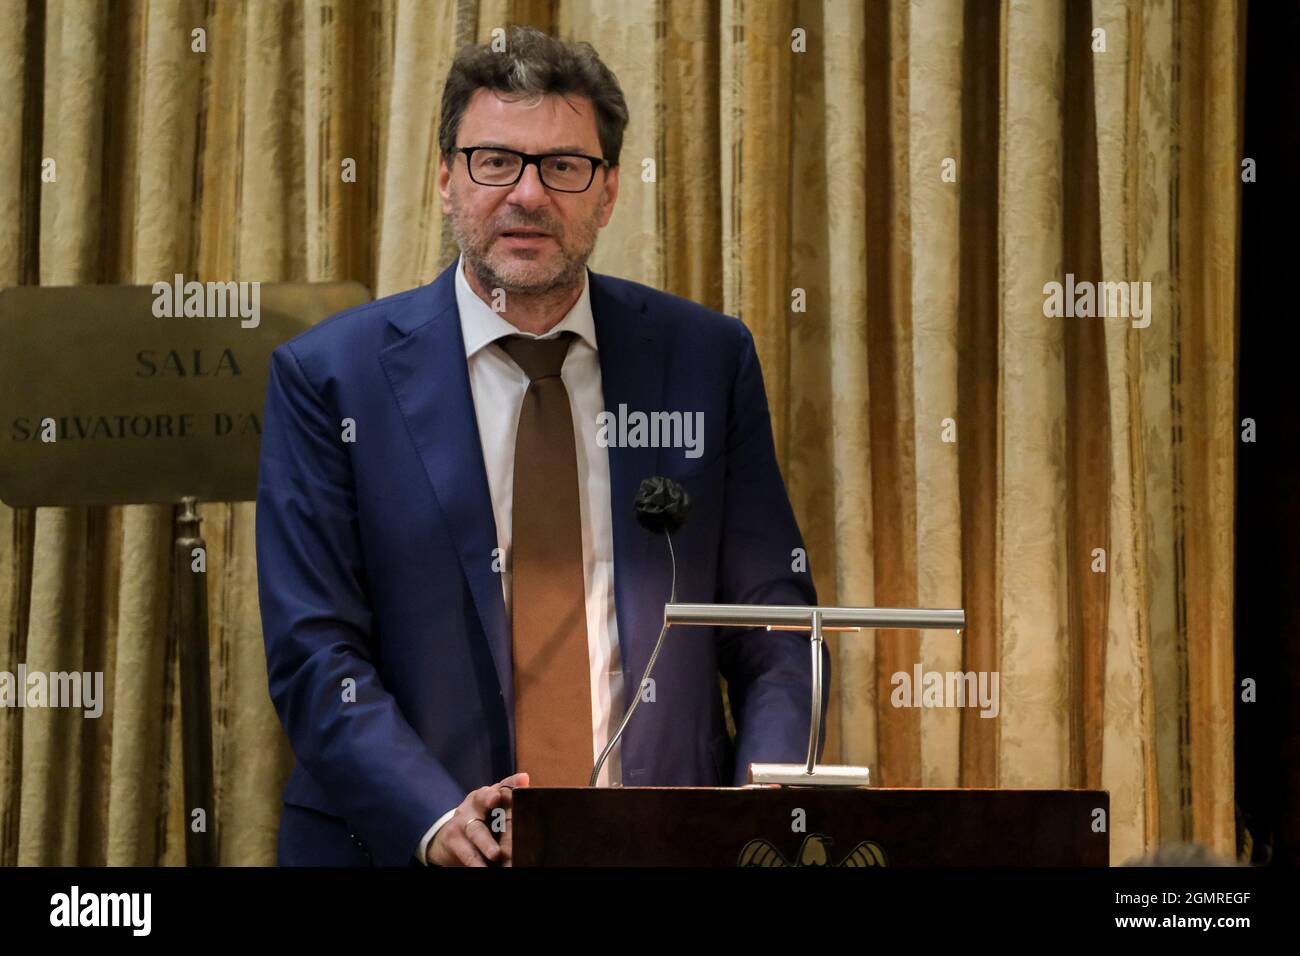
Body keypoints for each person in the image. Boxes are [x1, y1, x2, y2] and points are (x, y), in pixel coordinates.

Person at [256, 25, 827, 867]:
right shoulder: (331, 378)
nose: (527, 194)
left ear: (608, 193)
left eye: (563, 166)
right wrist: (435, 815)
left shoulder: (705, 360)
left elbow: (774, 622)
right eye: (494, 161)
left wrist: (761, 806)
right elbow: (314, 650)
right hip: (400, 847)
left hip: (656, 848)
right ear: (446, 179)